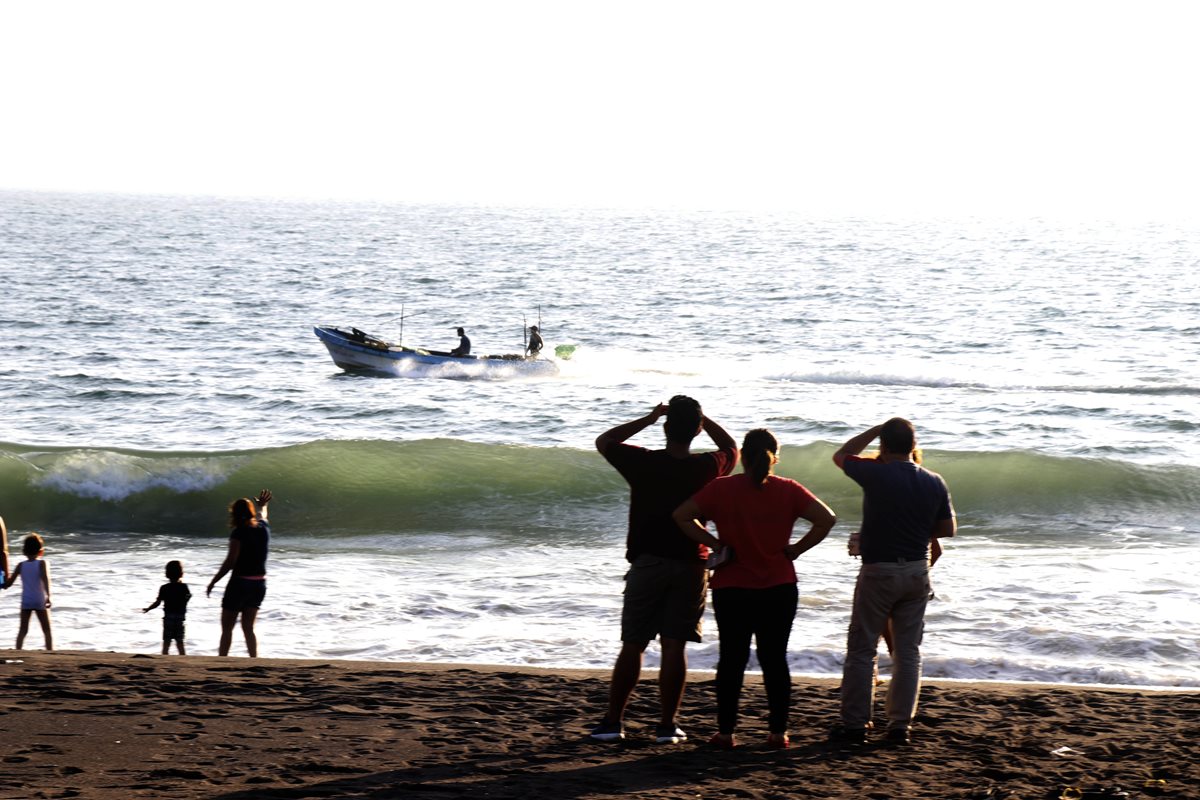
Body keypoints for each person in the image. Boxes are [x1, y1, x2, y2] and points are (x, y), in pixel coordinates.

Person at [673, 429, 836, 750]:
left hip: (732, 587)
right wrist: (796, 550)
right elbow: (826, 519)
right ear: (775, 457)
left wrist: (716, 544)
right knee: (774, 659)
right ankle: (777, 733)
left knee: (731, 660)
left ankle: (726, 733)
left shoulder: (722, 489)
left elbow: (681, 516)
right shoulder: (789, 490)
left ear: (743, 457)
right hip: (779, 586)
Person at [589, 396, 738, 744]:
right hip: (691, 560)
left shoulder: (643, 462)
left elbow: (605, 441)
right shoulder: (705, 466)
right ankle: (667, 725)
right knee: (674, 646)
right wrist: (705, 419)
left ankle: (614, 721)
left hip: (648, 560)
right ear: (697, 430)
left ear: (667, 428)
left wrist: (651, 417)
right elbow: (732, 448)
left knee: (633, 644)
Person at [832, 418, 956, 746]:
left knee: (862, 648)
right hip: (917, 570)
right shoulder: (934, 481)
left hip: (879, 571)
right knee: (908, 650)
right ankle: (900, 724)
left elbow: (842, 454)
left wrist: (874, 430)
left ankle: (856, 724)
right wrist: (913, 531)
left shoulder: (875, 473)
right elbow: (947, 529)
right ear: (914, 447)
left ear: (884, 446)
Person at [207, 490, 272, 657]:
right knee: (248, 628)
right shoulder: (263, 528)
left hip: (240, 584)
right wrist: (263, 505)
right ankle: (254, 660)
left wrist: (214, 581)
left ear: (234, 514)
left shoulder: (238, 533)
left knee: (227, 628)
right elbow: (262, 515)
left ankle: (222, 660)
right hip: (259, 584)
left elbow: (230, 562)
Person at [5, 534, 52, 650]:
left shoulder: (21, 565)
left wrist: (3, 578)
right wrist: (48, 596)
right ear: (40, 551)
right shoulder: (42, 563)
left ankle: (17, 650)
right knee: (46, 630)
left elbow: (8, 584)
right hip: (39, 600)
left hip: (26, 601)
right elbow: (45, 579)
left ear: (24, 551)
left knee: (23, 630)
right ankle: (50, 651)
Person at [144, 560, 192, 655]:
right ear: (181, 573)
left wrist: (148, 608)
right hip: (179, 618)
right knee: (180, 642)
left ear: (167, 574)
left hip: (168, 618)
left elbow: (158, 602)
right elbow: (188, 597)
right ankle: (183, 659)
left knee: (166, 642)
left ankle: (164, 657)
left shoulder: (164, 588)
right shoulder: (183, 587)